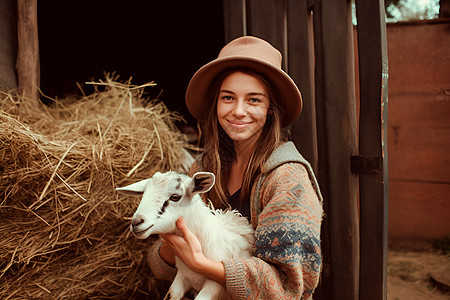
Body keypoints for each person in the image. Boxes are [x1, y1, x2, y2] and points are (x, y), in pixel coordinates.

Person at [148, 36, 323, 299]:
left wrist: (201, 264)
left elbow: (287, 286)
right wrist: (173, 242)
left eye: (254, 100)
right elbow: (160, 268)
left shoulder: (288, 180)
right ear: (216, 104)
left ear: (271, 109)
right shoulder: (204, 169)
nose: (238, 111)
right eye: (228, 97)